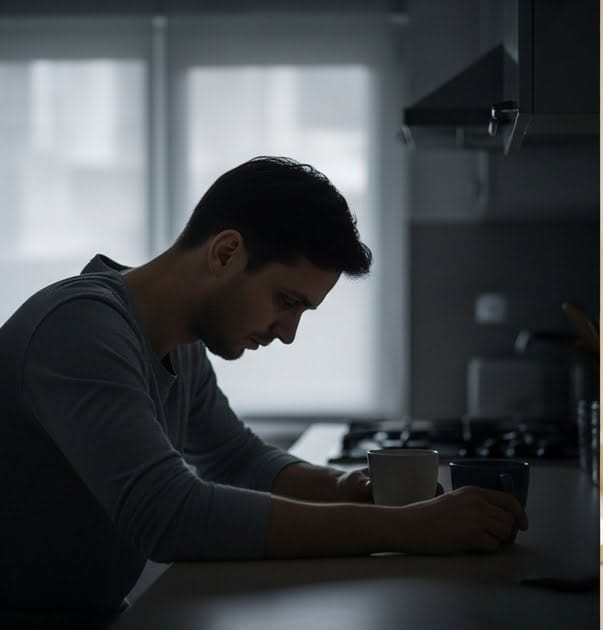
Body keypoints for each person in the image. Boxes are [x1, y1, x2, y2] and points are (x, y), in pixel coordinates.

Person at [0, 156, 527, 627]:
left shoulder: (180, 346)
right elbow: (167, 515)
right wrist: (405, 528)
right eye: (286, 301)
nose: (288, 333)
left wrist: (347, 488)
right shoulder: (80, 328)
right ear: (226, 253)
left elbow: (235, 459)